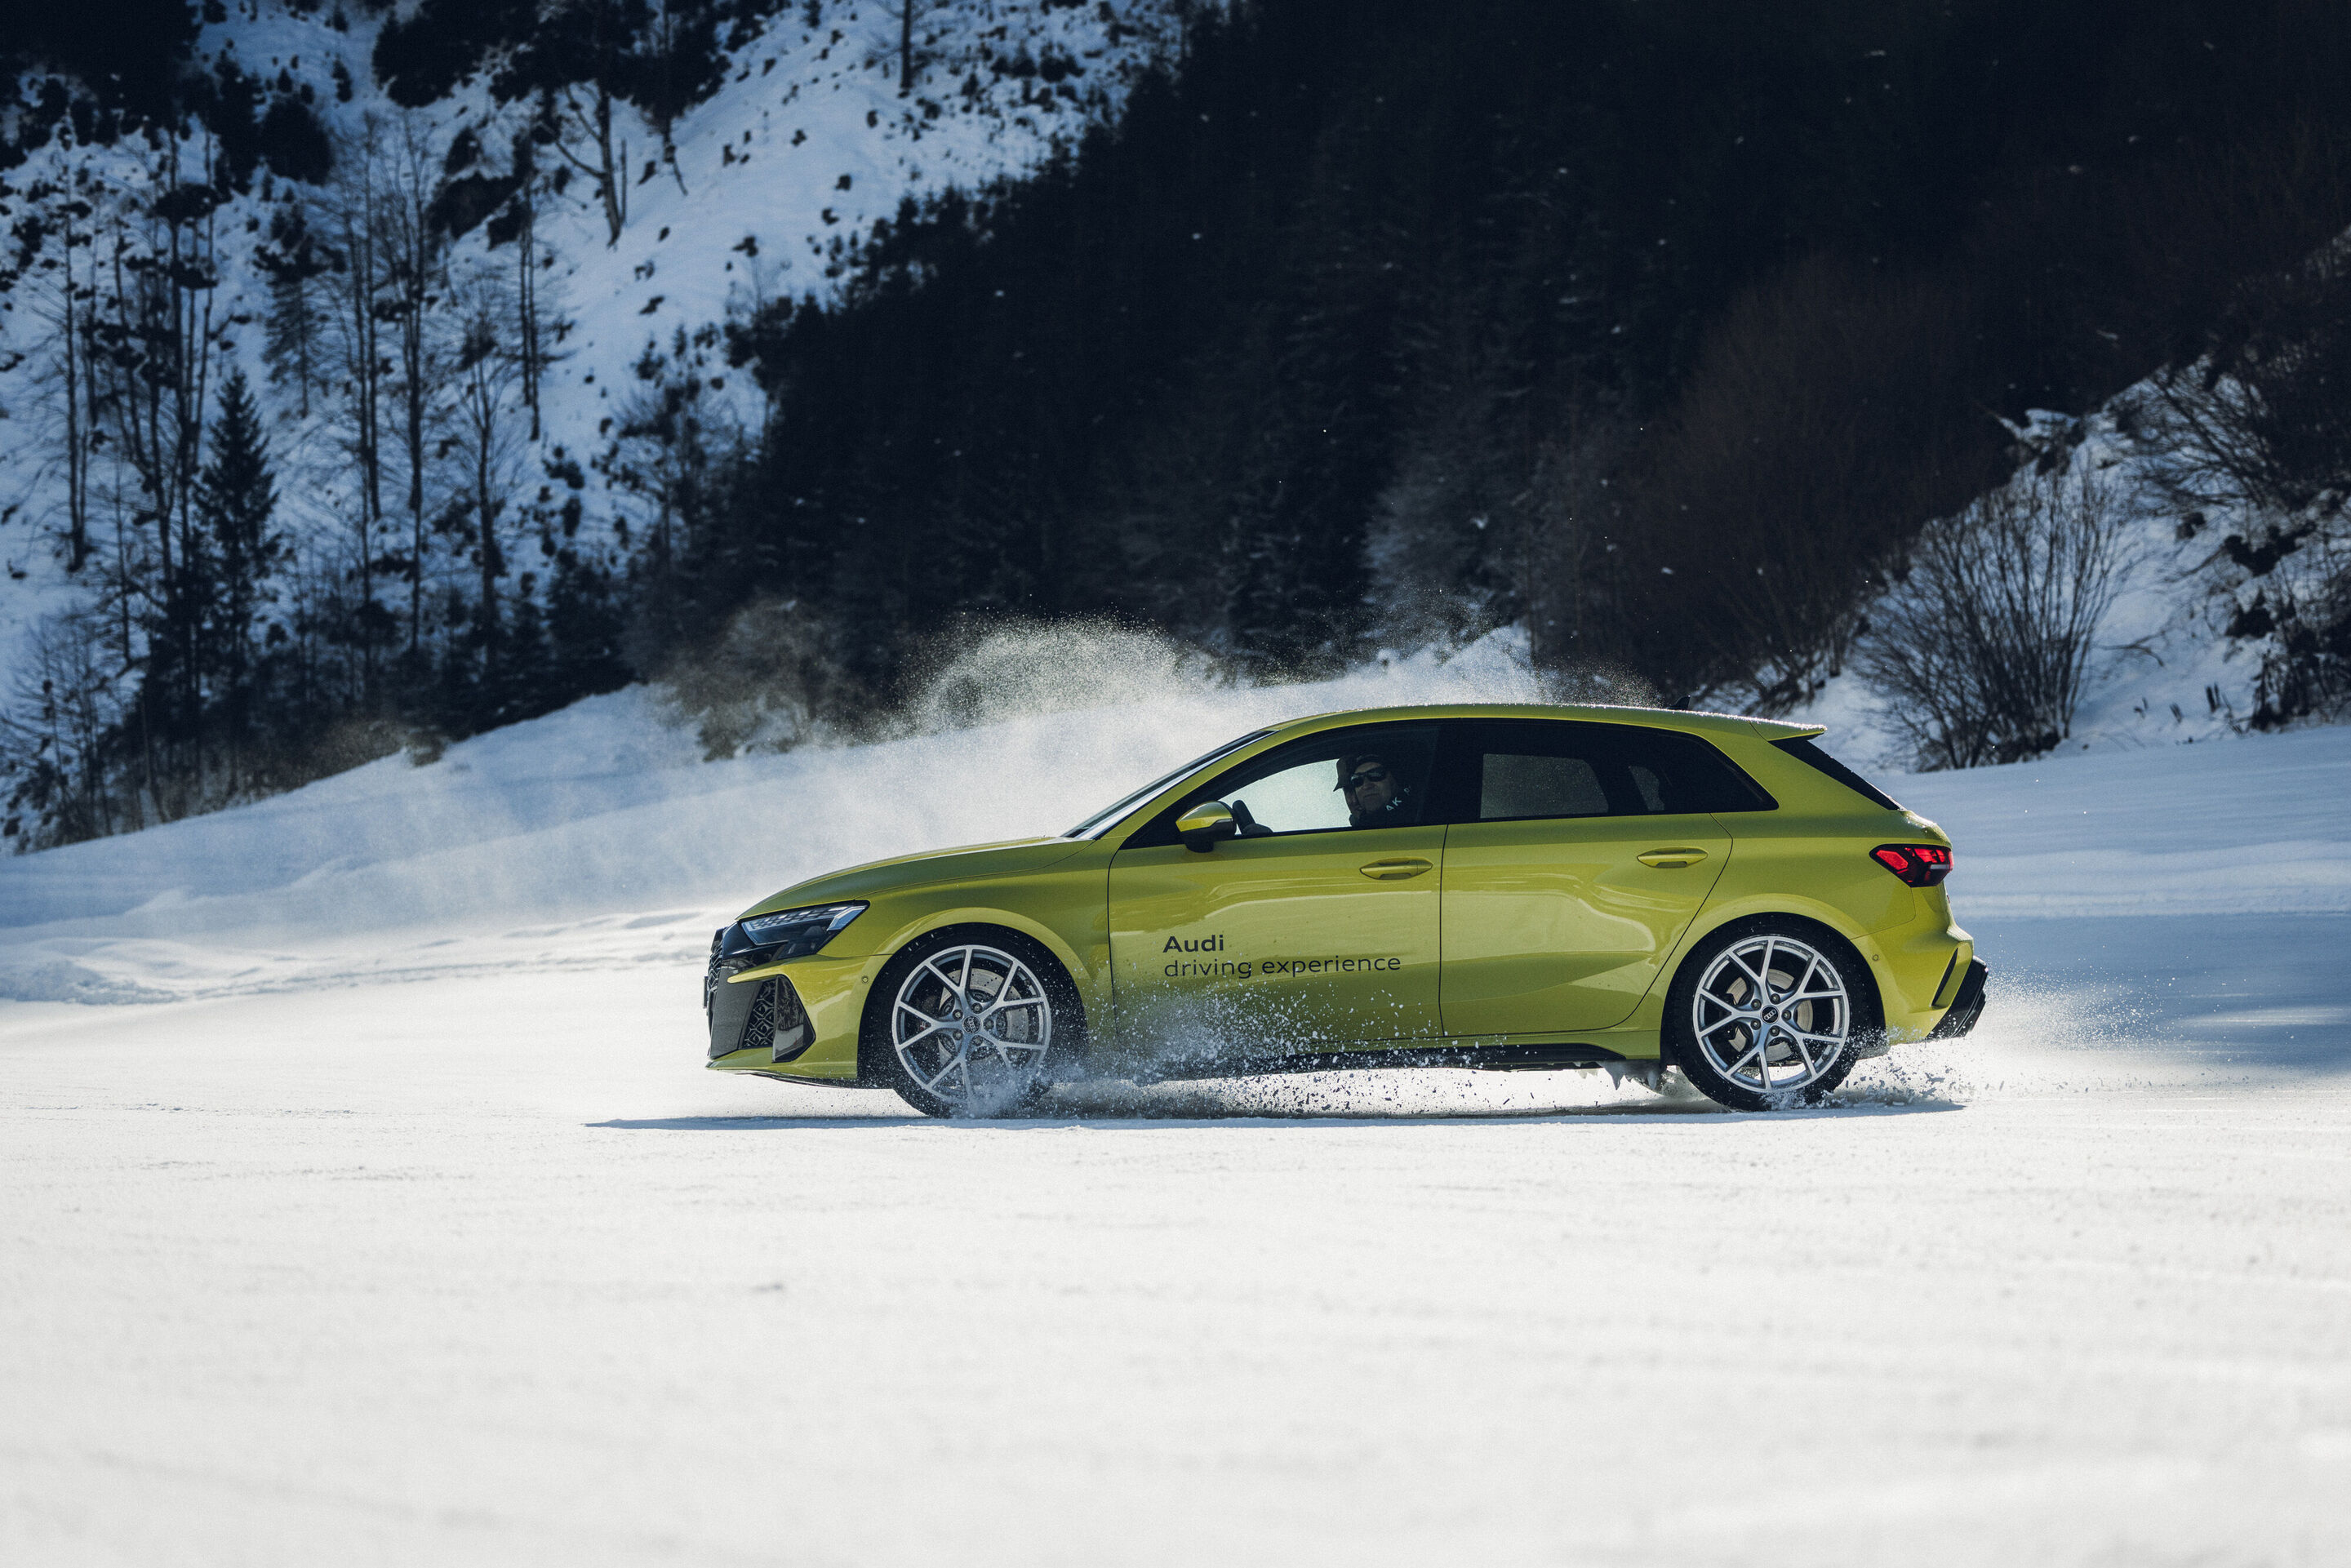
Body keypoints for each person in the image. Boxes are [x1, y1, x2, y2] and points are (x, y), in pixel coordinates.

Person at [1337, 753, 1415, 828]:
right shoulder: (1361, 826)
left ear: (1395, 780)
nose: (1366, 786)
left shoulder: (1416, 813)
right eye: (1357, 780)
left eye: (1375, 774)